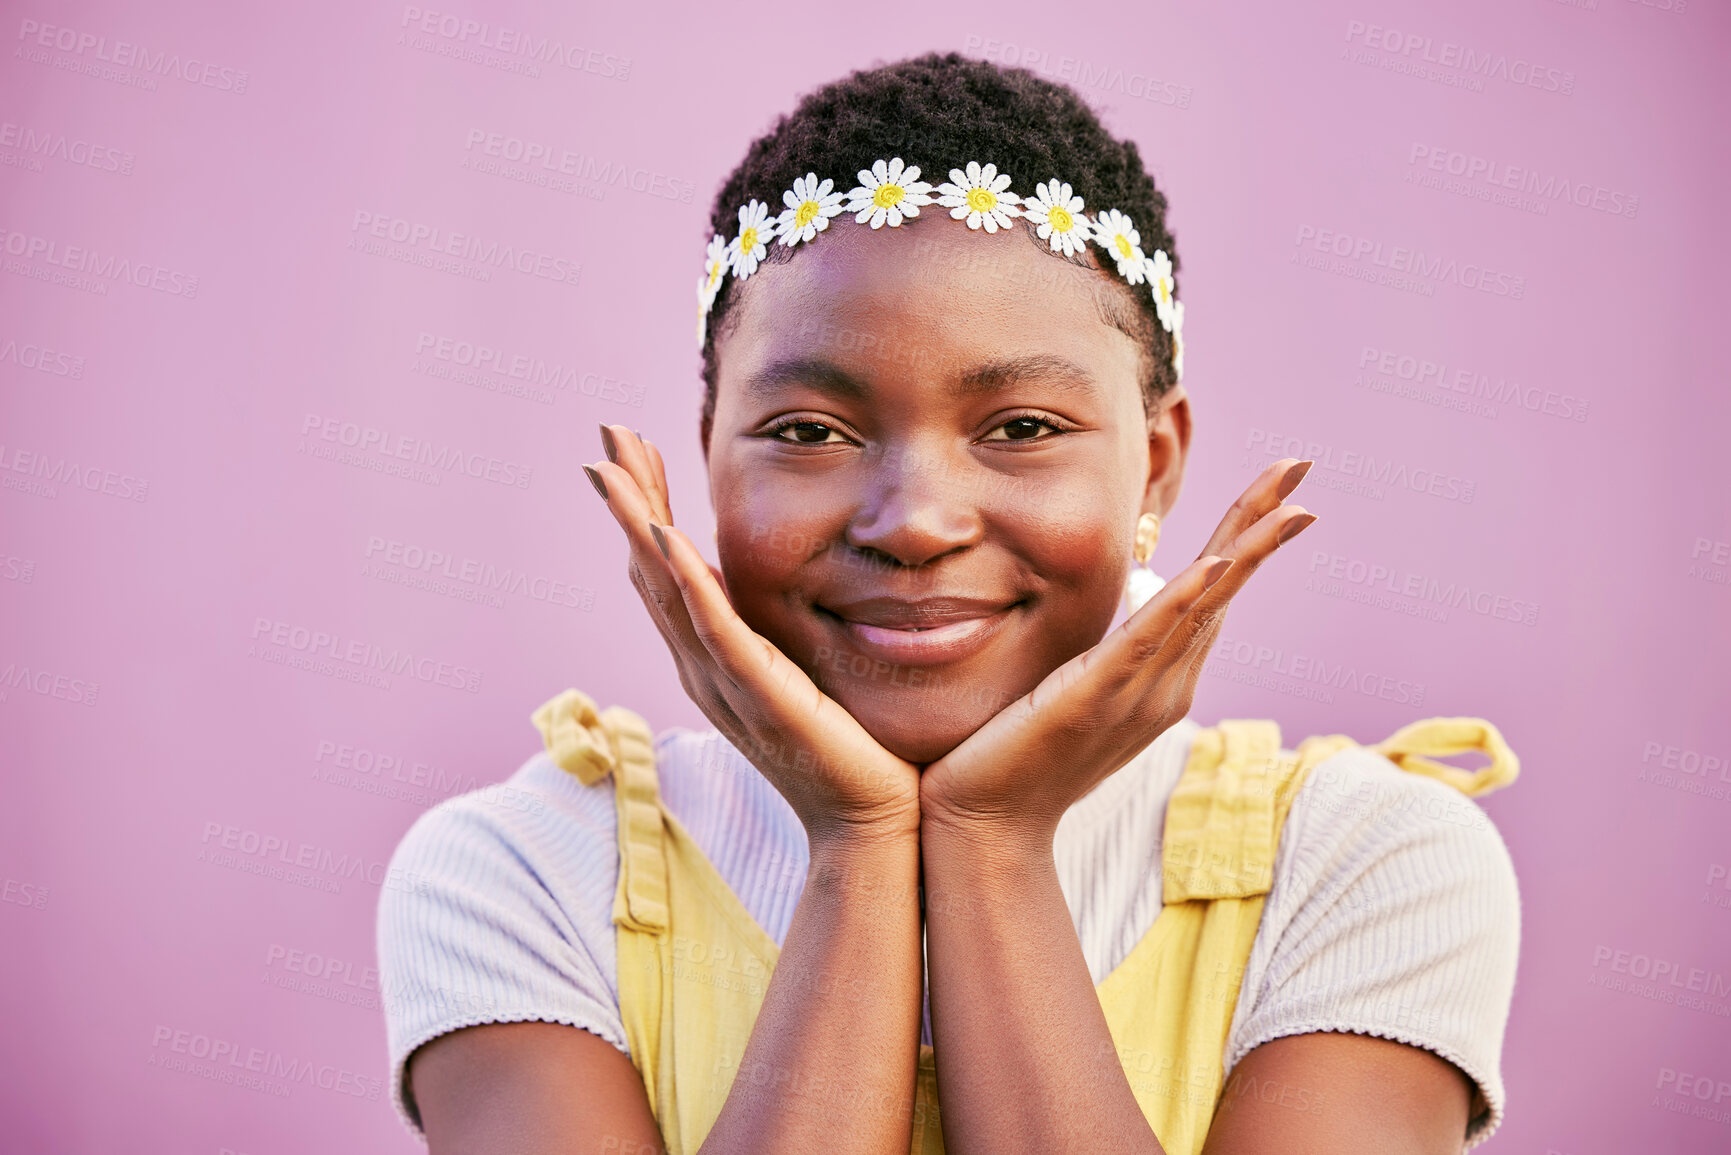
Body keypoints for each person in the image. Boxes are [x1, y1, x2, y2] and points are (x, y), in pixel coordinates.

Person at [377, 52, 1520, 1155]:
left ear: (1158, 465)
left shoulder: (1365, 862)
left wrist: (992, 844)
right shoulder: (528, 869)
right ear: (706, 462)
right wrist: (859, 844)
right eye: (809, 433)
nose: (915, 522)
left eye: (1021, 429)